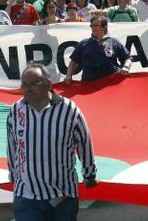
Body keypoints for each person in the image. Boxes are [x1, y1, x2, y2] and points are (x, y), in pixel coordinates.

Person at [7, 62, 97, 221]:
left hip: (62, 197)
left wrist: (89, 174)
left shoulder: (69, 109)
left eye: (34, 83)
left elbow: (84, 141)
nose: (28, 88)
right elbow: (12, 145)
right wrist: (13, 173)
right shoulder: (16, 110)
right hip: (26, 196)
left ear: (48, 84)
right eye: (24, 84)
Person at [64, 16, 132, 83]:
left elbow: (128, 58)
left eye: (96, 25)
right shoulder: (84, 43)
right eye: (91, 25)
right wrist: (68, 75)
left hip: (111, 83)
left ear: (104, 27)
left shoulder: (114, 42)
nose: (93, 27)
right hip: (89, 84)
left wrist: (126, 67)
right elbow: (73, 62)